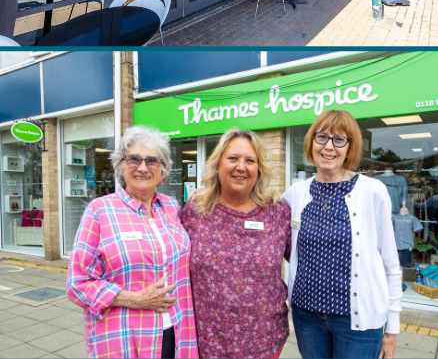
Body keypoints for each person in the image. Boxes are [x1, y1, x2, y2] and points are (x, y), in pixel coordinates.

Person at [67, 126, 197, 359]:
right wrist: (134, 299)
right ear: (122, 166)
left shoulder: (172, 207)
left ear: (163, 169)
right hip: (124, 337)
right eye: (134, 159)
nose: (143, 167)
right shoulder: (100, 211)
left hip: (177, 332)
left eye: (152, 161)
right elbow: (78, 283)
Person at [283, 110, 400, 359]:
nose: (329, 147)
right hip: (306, 318)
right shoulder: (295, 193)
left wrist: (392, 329)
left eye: (339, 140)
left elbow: (390, 263)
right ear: (311, 142)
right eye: (322, 137)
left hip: (357, 323)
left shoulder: (372, 191)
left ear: (350, 147)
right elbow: (267, 224)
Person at [179, 128, 291, 359]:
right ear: (218, 164)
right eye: (233, 158)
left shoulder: (278, 212)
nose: (241, 166)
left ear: (258, 169)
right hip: (208, 344)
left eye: (250, 160)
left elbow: (302, 259)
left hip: (266, 341)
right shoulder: (195, 210)